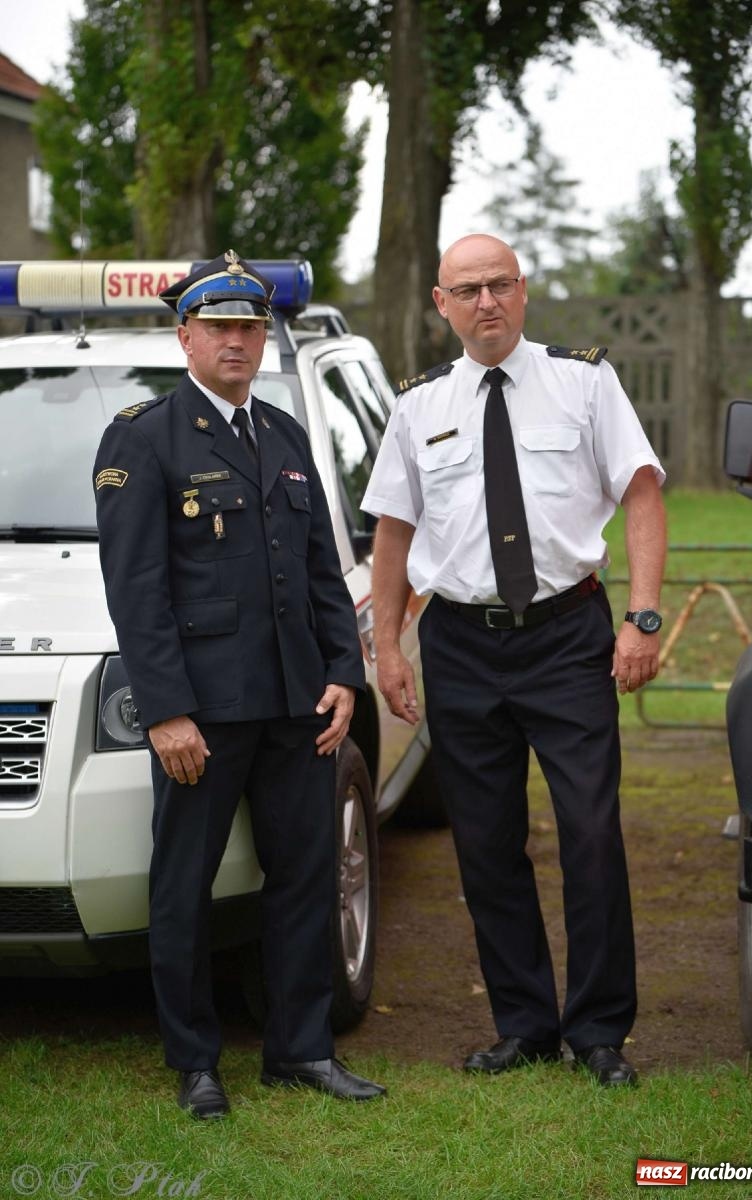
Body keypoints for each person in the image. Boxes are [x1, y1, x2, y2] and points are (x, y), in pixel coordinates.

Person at [362, 234, 666, 1087]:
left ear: (523, 290)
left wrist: (641, 619)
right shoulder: (418, 405)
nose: (486, 301)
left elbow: (641, 492)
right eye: (467, 290)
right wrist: (387, 647)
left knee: (590, 833)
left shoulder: (584, 382)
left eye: (499, 284)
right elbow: (393, 530)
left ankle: (598, 1032)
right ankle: (523, 1024)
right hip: (460, 643)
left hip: (568, 638)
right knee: (485, 843)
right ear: (442, 304)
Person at [93, 250, 385, 1117]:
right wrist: (166, 712)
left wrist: (343, 674)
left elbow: (321, 570)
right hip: (205, 714)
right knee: (184, 885)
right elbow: (136, 591)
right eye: (218, 326)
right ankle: (196, 1063)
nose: (236, 342)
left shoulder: (286, 435)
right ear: (184, 335)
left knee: (304, 877)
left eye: (250, 328)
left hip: (297, 706)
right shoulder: (145, 437)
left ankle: (300, 1050)